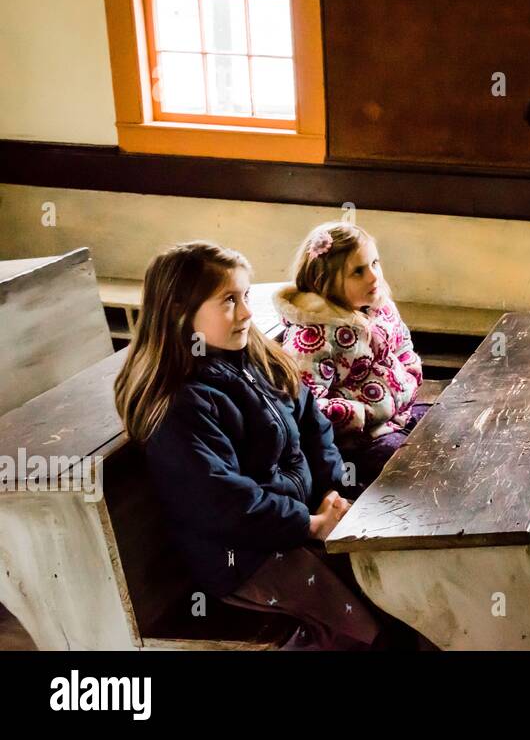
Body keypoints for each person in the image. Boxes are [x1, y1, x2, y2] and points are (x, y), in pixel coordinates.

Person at [114, 241, 382, 649]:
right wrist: (308, 523)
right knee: (362, 622)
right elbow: (223, 501)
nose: (246, 312)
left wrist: (329, 490)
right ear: (180, 312)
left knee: (392, 572)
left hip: (299, 521)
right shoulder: (179, 404)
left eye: (246, 296)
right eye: (228, 301)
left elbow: (314, 425)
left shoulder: (257, 357)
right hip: (244, 557)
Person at [276, 223, 424, 491]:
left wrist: (411, 373)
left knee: (450, 430)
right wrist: (360, 414)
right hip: (359, 444)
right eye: (358, 271)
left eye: (375, 263)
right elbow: (305, 406)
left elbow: (403, 346)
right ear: (323, 282)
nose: (373, 276)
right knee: (414, 468)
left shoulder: (380, 309)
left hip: (400, 415)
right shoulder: (314, 336)